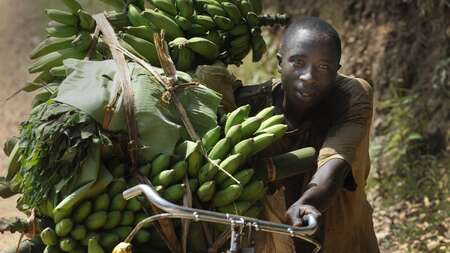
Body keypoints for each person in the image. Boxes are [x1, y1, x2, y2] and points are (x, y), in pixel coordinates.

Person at [235, 16, 380, 252]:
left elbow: (335, 163)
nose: (309, 76)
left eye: (323, 67)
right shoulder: (249, 107)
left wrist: (307, 203)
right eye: (298, 62)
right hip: (273, 238)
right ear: (280, 63)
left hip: (341, 230)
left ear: (336, 71)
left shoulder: (351, 97)